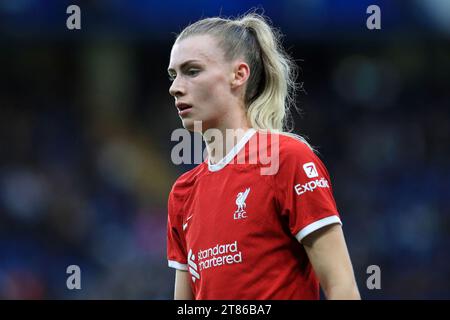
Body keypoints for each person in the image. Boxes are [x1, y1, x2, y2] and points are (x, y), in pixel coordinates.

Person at [166, 12, 360, 300]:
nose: (175, 87)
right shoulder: (183, 193)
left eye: (192, 71)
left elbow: (341, 287)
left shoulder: (286, 159)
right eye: (173, 75)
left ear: (238, 75)